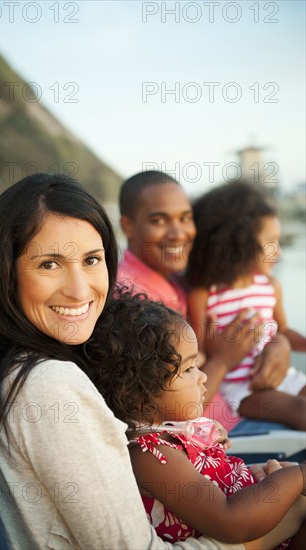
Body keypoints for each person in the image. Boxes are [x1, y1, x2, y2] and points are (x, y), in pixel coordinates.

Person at [0, 172, 246, 550]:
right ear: (6, 274)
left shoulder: (10, 361)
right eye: (49, 264)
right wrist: (260, 533)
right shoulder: (51, 387)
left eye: (92, 260)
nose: (79, 290)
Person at [86, 292, 306, 548]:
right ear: (138, 392)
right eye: (189, 368)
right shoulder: (152, 456)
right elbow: (231, 522)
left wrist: (262, 477)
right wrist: (299, 476)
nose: (203, 377)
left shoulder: (176, 429)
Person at [118, 170, 292, 431]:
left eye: (186, 218)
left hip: (230, 413)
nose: (178, 233)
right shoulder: (131, 300)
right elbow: (171, 416)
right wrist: (221, 361)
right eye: (159, 220)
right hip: (209, 435)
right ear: (128, 226)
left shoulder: (176, 279)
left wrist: (281, 341)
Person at [186, 181, 306, 430]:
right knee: (301, 411)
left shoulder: (270, 285)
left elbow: (282, 331)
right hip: (242, 391)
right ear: (238, 243)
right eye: (271, 241)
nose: (278, 251)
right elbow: (196, 351)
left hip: (285, 378)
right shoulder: (206, 294)